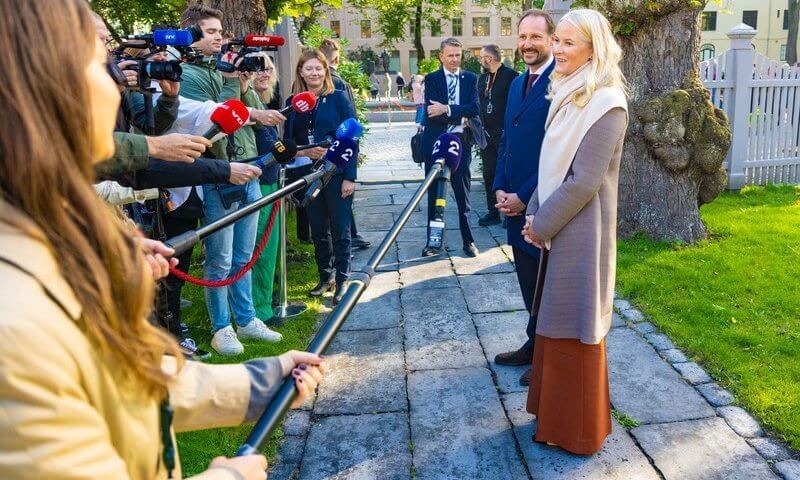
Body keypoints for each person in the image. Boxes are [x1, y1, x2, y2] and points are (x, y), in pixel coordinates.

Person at [0, 1, 327, 479]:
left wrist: (263, 382)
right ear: (44, 81)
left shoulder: (50, 238)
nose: (121, 80)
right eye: (104, 59)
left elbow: (122, 384)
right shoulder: (18, 323)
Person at [522, 8, 628, 455]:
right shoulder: (569, 91)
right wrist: (534, 211)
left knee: (575, 325)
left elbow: (584, 180)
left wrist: (541, 224)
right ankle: (553, 420)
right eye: (558, 41)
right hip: (559, 223)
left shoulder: (607, 102)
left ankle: (577, 431)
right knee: (554, 320)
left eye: (568, 43)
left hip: (582, 229)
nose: (558, 49)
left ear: (593, 48)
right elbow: (552, 165)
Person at [179, 4, 286, 355]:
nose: (219, 38)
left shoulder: (222, 68)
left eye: (219, 32)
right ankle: (221, 327)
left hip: (248, 168)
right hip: (217, 174)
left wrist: (243, 83)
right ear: (192, 34)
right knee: (220, 259)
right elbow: (221, 118)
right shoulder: (187, 74)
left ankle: (247, 319)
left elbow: (251, 112)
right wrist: (230, 83)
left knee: (243, 254)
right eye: (210, 32)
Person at [492, 10, 555, 387]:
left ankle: (548, 357)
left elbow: (555, 152)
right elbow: (506, 139)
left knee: (546, 284)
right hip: (511, 200)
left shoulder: (560, 84)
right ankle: (533, 345)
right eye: (522, 36)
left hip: (540, 202)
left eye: (536, 36)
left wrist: (523, 196)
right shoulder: (517, 83)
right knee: (527, 281)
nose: (528, 43)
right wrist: (500, 186)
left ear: (550, 40)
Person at [284, 49, 358, 305]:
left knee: (340, 228)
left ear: (325, 71)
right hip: (307, 173)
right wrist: (305, 150)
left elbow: (352, 137)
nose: (314, 73)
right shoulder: (293, 102)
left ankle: (342, 279)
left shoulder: (338, 98)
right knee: (318, 230)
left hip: (336, 173)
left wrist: (350, 176)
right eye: (309, 69)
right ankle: (324, 276)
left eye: (318, 68)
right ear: (301, 72)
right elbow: (289, 141)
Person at [421, 37, 481, 258]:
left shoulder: (470, 78)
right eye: (451, 55)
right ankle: (434, 242)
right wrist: (459, 115)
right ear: (441, 56)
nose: (455, 59)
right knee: (434, 195)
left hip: (461, 146)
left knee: (462, 195)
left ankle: (469, 241)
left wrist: (446, 108)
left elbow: (474, 108)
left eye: (458, 55)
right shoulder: (433, 79)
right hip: (435, 146)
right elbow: (431, 115)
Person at [318, 38, 371, 250]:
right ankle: (350, 234)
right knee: (343, 192)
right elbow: (352, 123)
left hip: (315, 150)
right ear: (338, 58)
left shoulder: (307, 81)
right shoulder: (340, 83)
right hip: (339, 150)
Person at [251, 53, 283, 326]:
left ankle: (263, 302)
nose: (264, 73)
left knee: (269, 249)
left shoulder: (268, 102)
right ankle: (257, 310)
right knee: (256, 249)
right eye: (258, 68)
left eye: (268, 68)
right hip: (255, 184)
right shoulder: (247, 105)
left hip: (271, 182)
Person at [477, 44, 518, 227]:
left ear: (490, 58)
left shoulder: (511, 76)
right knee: (489, 174)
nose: (480, 60)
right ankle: (493, 211)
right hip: (486, 135)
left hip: (504, 134)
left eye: (482, 57)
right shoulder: (483, 78)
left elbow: (515, 104)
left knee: (508, 174)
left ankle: (509, 212)